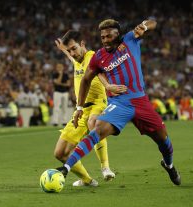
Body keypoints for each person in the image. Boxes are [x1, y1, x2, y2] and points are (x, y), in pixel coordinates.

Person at [57, 18, 181, 186]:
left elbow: (153, 22)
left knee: (164, 141)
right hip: (119, 103)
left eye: (109, 36)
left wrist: (144, 25)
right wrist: (79, 106)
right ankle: (66, 168)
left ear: (118, 34)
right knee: (97, 130)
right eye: (103, 37)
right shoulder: (99, 56)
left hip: (140, 100)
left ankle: (169, 164)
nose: (106, 40)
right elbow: (86, 80)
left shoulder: (130, 39)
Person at [53, 30, 125, 186]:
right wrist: (64, 50)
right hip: (81, 109)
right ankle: (87, 180)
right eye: (69, 50)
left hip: (98, 103)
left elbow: (99, 69)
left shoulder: (92, 56)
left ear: (82, 44)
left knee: (94, 123)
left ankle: (105, 167)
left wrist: (108, 85)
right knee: (60, 153)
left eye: (74, 48)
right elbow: (70, 56)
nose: (72, 53)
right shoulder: (75, 59)